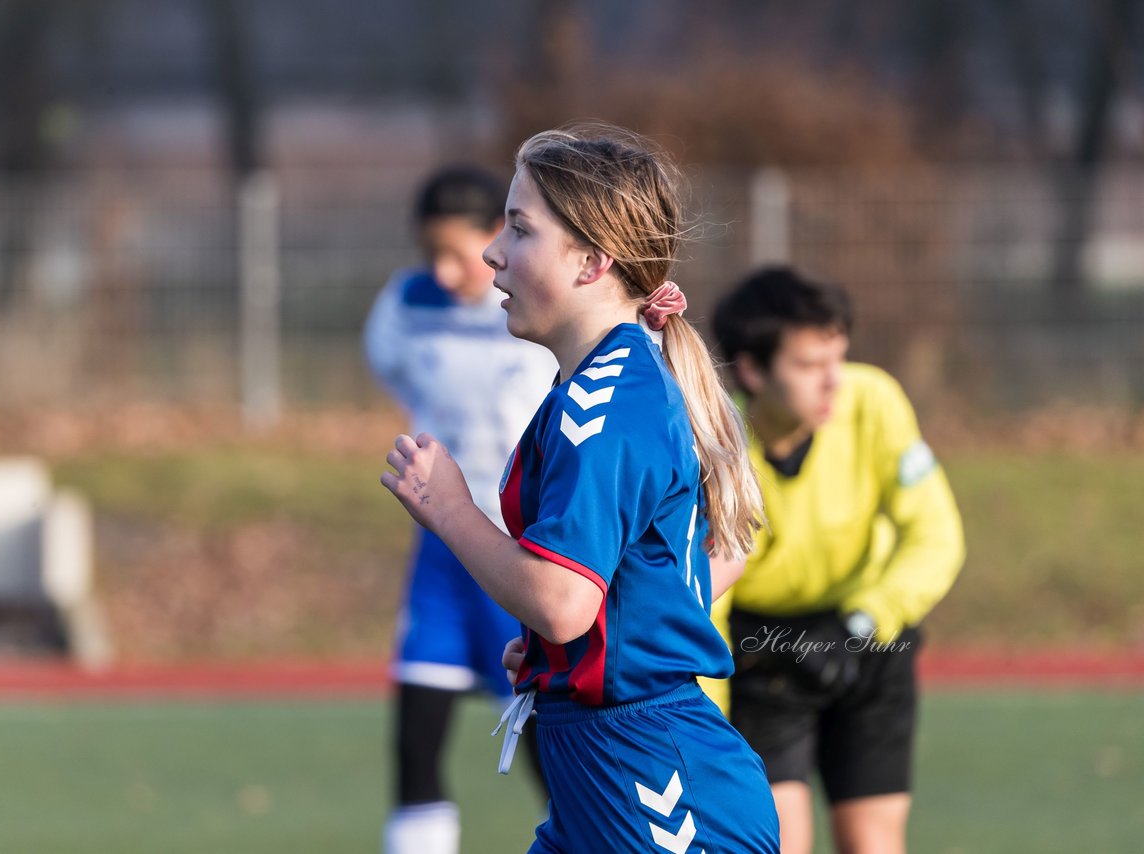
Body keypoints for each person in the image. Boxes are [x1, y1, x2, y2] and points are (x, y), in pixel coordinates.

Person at [381, 124, 780, 853]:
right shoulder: (592, 389)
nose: (492, 252)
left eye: (520, 229)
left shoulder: (607, 406)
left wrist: (449, 508)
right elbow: (695, 564)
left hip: (657, 794)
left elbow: (564, 602)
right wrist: (561, 655)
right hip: (605, 783)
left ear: (593, 261)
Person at [701, 266, 966, 854]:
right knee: (776, 844)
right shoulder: (718, 453)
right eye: (808, 366)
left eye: (837, 359)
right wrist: (706, 731)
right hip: (764, 659)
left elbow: (936, 535)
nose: (834, 383)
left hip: (870, 637)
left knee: (873, 845)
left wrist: (862, 623)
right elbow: (707, 602)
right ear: (750, 371)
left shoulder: (874, 401)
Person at [365, 166, 557, 854]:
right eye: (432, 254)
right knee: (416, 743)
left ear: (500, 236)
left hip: (520, 555)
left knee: (552, 754)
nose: (445, 273)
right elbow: (393, 370)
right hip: (442, 556)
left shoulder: (541, 313)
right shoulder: (406, 306)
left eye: (459, 253)